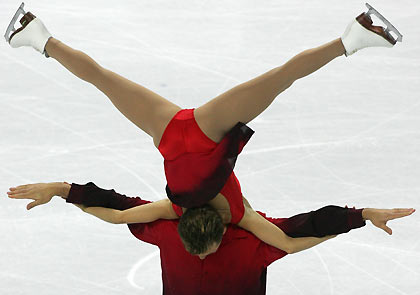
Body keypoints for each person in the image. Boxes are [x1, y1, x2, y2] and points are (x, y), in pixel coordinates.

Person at [5, 3, 404, 254]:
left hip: (208, 132)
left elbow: (289, 241)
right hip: (169, 131)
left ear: (215, 233)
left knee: (280, 79)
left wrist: (362, 217)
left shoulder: (239, 216)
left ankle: (354, 36)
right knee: (103, 79)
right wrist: (60, 192)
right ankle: (35, 34)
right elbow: (114, 216)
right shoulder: (171, 210)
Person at [7, 181, 415, 295]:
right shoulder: (168, 228)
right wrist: (63, 190)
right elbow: (116, 207)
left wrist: (360, 215)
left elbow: (306, 226)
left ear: (222, 229)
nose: (201, 256)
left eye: (206, 249)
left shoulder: (250, 236)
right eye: (194, 250)